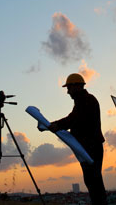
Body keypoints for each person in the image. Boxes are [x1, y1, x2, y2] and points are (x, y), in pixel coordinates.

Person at [47, 73, 107, 205]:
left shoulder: (87, 100)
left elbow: (74, 119)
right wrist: (55, 125)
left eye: (69, 88)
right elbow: (73, 118)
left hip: (91, 147)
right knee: (92, 181)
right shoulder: (82, 101)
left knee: (94, 180)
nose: (68, 92)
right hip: (87, 147)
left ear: (77, 86)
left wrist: (55, 125)